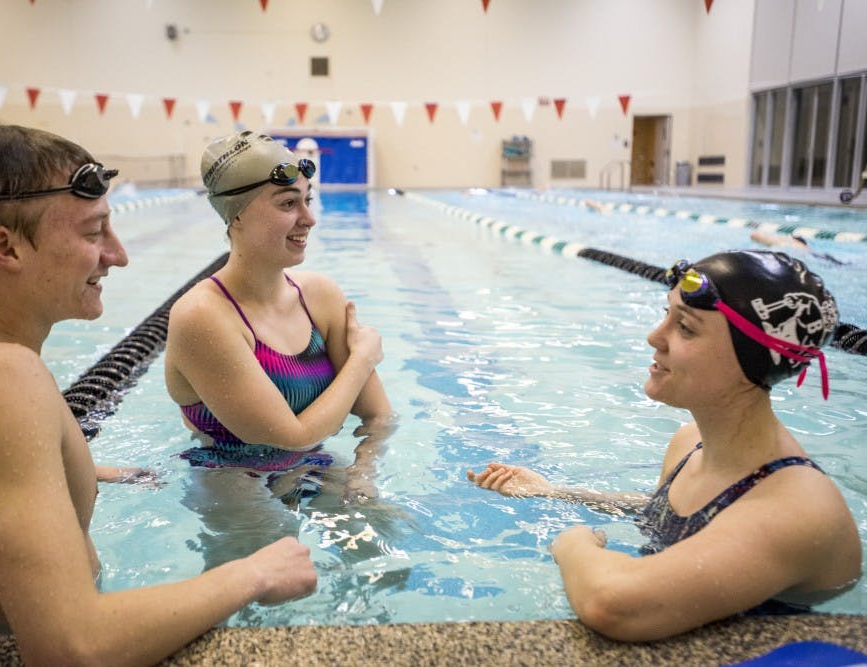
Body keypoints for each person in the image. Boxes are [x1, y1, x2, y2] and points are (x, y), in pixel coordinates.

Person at [0, 120, 316, 665]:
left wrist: (83, 468)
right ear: (6, 247)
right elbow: (71, 646)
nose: (118, 254)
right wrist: (254, 573)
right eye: (92, 232)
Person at [468, 250, 861, 641]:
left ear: (751, 358)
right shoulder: (690, 442)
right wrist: (556, 492)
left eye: (685, 328)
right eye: (666, 314)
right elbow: (671, 513)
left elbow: (613, 604)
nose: (655, 336)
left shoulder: (795, 509)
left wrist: (573, 543)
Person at [164, 131, 393, 493]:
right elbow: (292, 438)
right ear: (236, 215)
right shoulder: (201, 316)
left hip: (315, 465)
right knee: (277, 543)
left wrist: (362, 475)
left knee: (380, 533)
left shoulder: (320, 296)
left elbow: (379, 416)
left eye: (308, 200)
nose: (309, 218)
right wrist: (362, 358)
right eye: (288, 204)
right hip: (232, 481)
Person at [750, 229, 844, 265]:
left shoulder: (783, 241)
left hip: (814, 257)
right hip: (818, 256)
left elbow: (754, 235)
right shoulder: (798, 245)